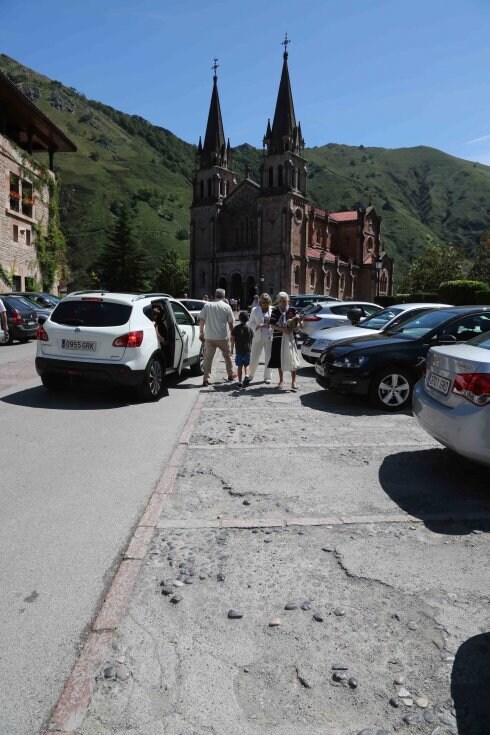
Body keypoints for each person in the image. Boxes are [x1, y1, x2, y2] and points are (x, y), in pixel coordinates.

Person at [199, 288, 237, 387]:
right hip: (222, 336)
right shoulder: (226, 306)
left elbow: (201, 319)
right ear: (224, 296)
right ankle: (230, 374)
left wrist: (201, 332)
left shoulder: (207, 305)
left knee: (208, 358)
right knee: (227, 356)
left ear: (214, 295)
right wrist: (232, 334)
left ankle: (206, 378)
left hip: (209, 336)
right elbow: (231, 323)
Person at [268, 291, 301, 391]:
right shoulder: (275, 311)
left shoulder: (292, 310)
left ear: (288, 301)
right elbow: (272, 325)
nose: (283, 302)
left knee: (292, 358)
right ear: (278, 301)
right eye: (281, 301)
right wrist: (283, 330)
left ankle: (294, 381)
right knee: (279, 359)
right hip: (279, 337)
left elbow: (299, 323)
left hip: (291, 337)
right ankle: (281, 380)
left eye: (285, 301)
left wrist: (295, 327)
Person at [248, 292, 273, 384]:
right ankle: (250, 375)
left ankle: (267, 377)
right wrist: (257, 326)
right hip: (258, 335)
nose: (265, 304)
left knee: (268, 357)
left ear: (269, 302)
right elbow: (250, 323)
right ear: (260, 302)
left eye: (267, 302)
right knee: (254, 357)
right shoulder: (255, 310)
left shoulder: (272, 310)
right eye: (263, 302)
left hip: (269, 336)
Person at [230, 311, 254, 388]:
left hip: (239, 350)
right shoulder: (249, 329)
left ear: (239, 319)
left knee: (239, 366)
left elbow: (233, 339)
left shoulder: (236, 328)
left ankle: (240, 382)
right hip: (247, 350)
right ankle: (246, 375)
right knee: (247, 364)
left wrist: (231, 349)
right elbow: (251, 339)